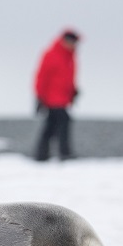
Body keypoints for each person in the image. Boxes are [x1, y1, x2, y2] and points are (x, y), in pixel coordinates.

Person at [33, 29, 80, 161]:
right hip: (52, 98)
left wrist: (73, 92)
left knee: (51, 126)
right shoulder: (52, 55)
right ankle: (64, 152)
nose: (74, 45)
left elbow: (67, 79)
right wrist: (39, 97)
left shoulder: (69, 57)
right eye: (72, 42)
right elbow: (42, 77)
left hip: (62, 98)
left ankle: (41, 154)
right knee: (63, 121)